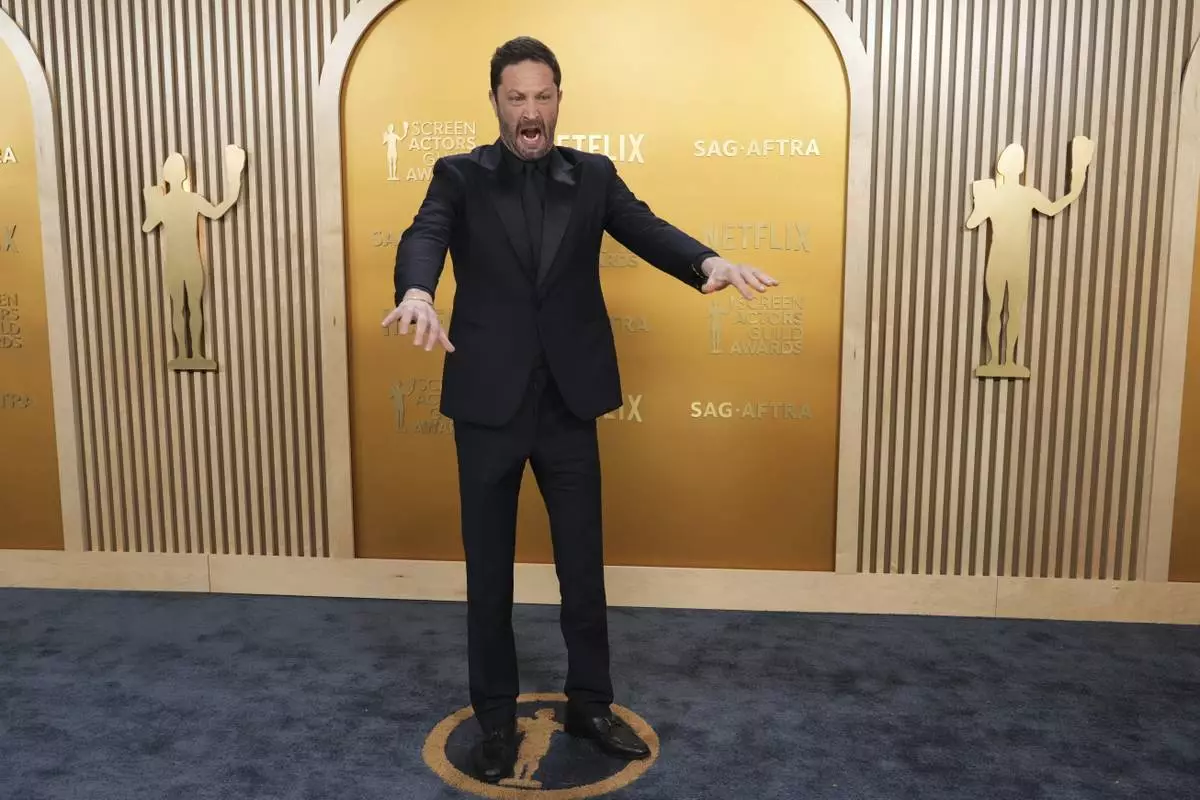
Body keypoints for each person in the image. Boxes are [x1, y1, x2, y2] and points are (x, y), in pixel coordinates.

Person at [381, 36, 777, 783]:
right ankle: (496, 719)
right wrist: (416, 291)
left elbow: (645, 227)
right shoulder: (458, 175)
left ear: (559, 99)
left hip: (569, 404)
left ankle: (592, 705)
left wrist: (708, 261)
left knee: (583, 569)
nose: (530, 110)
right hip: (489, 406)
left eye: (542, 96)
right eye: (516, 97)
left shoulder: (593, 175)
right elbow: (424, 233)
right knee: (489, 576)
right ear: (496, 101)